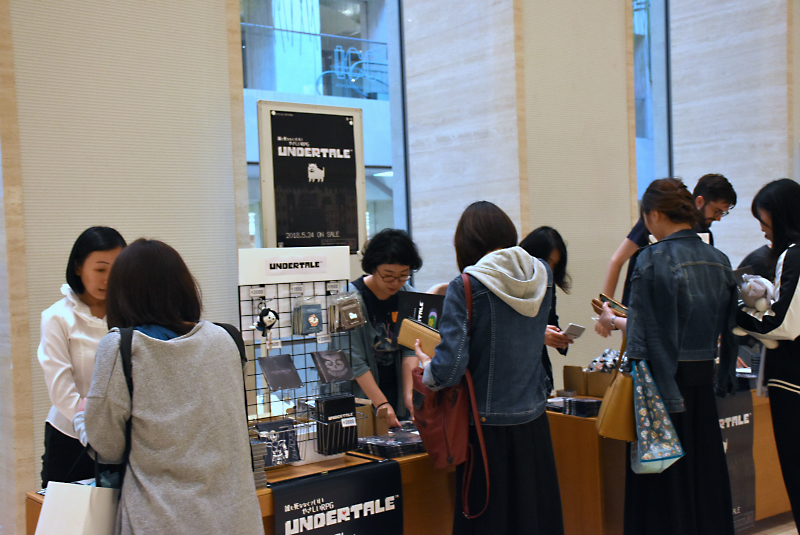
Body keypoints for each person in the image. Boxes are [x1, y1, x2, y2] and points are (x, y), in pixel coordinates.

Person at [73, 239, 263, 535]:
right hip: (236, 518)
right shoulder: (227, 339)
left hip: (161, 520)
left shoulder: (121, 347)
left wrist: (81, 418)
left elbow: (106, 448)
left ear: (122, 293)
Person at [415, 201, 563, 534]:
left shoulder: (467, 285)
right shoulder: (543, 274)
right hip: (535, 420)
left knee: (488, 520)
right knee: (534, 517)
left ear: (466, 243)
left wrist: (427, 366)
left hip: (485, 429)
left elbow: (449, 369)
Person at [623, 178, 738, 535]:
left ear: (655, 214)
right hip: (703, 391)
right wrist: (724, 377)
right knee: (705, 482)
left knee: (661, 493)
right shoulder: (719, 260)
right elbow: (731, 332)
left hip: (660, 392)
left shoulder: (650, 258)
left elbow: (639, 341)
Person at [37, 226, 126, 487]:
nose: (108, 279)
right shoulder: (57, 317)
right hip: (70, 438)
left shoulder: (129, 312)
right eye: (100, 270)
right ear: (78, 267)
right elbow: (60, 389)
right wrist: (92, 432)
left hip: (120, 437)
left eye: (115, 269)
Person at [734, 179, 800, 525]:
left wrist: (737, 311)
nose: (762, 230)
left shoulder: (794, 254)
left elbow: (783, 324)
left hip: (792, 380)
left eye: (764, 221)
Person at [602, 173, 737, 305]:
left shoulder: (706, 238)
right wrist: (605, 308)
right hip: (641, 306)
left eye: (723, 213)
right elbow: (617, 260)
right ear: (700, 201)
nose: (718, 218)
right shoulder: (653, 223)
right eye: (716, 211)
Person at [348, 228, 423, 426]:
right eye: (388, 276)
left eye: (403, 275)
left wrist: (409, 396)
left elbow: (410, 350)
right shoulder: (350, 300)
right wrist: (381, 403)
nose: (395, 283)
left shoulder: (408, 295)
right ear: (373, 267)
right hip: (362, 397)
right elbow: (354, 361)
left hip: (396, 393)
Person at [519, 226, 573, 394]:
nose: (549, 268)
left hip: (541, 374)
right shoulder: (513, 281)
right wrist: (538, 334)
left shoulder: (548, 285)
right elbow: (506, 327)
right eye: (548, 261)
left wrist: (560, 337)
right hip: (517, 374)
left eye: (555, 264)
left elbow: (551, 320)